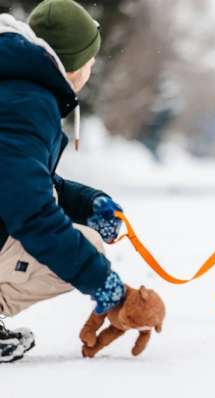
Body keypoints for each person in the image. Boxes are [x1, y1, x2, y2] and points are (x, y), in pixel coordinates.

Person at [0, 0, 126, 363]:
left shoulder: (15, 88)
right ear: (74, 63)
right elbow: (31, 211)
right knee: (87, 247)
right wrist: (99, 280)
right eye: (90, 59)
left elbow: (21, 179)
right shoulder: (27, 101)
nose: (92, 66)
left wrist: (87, 204)